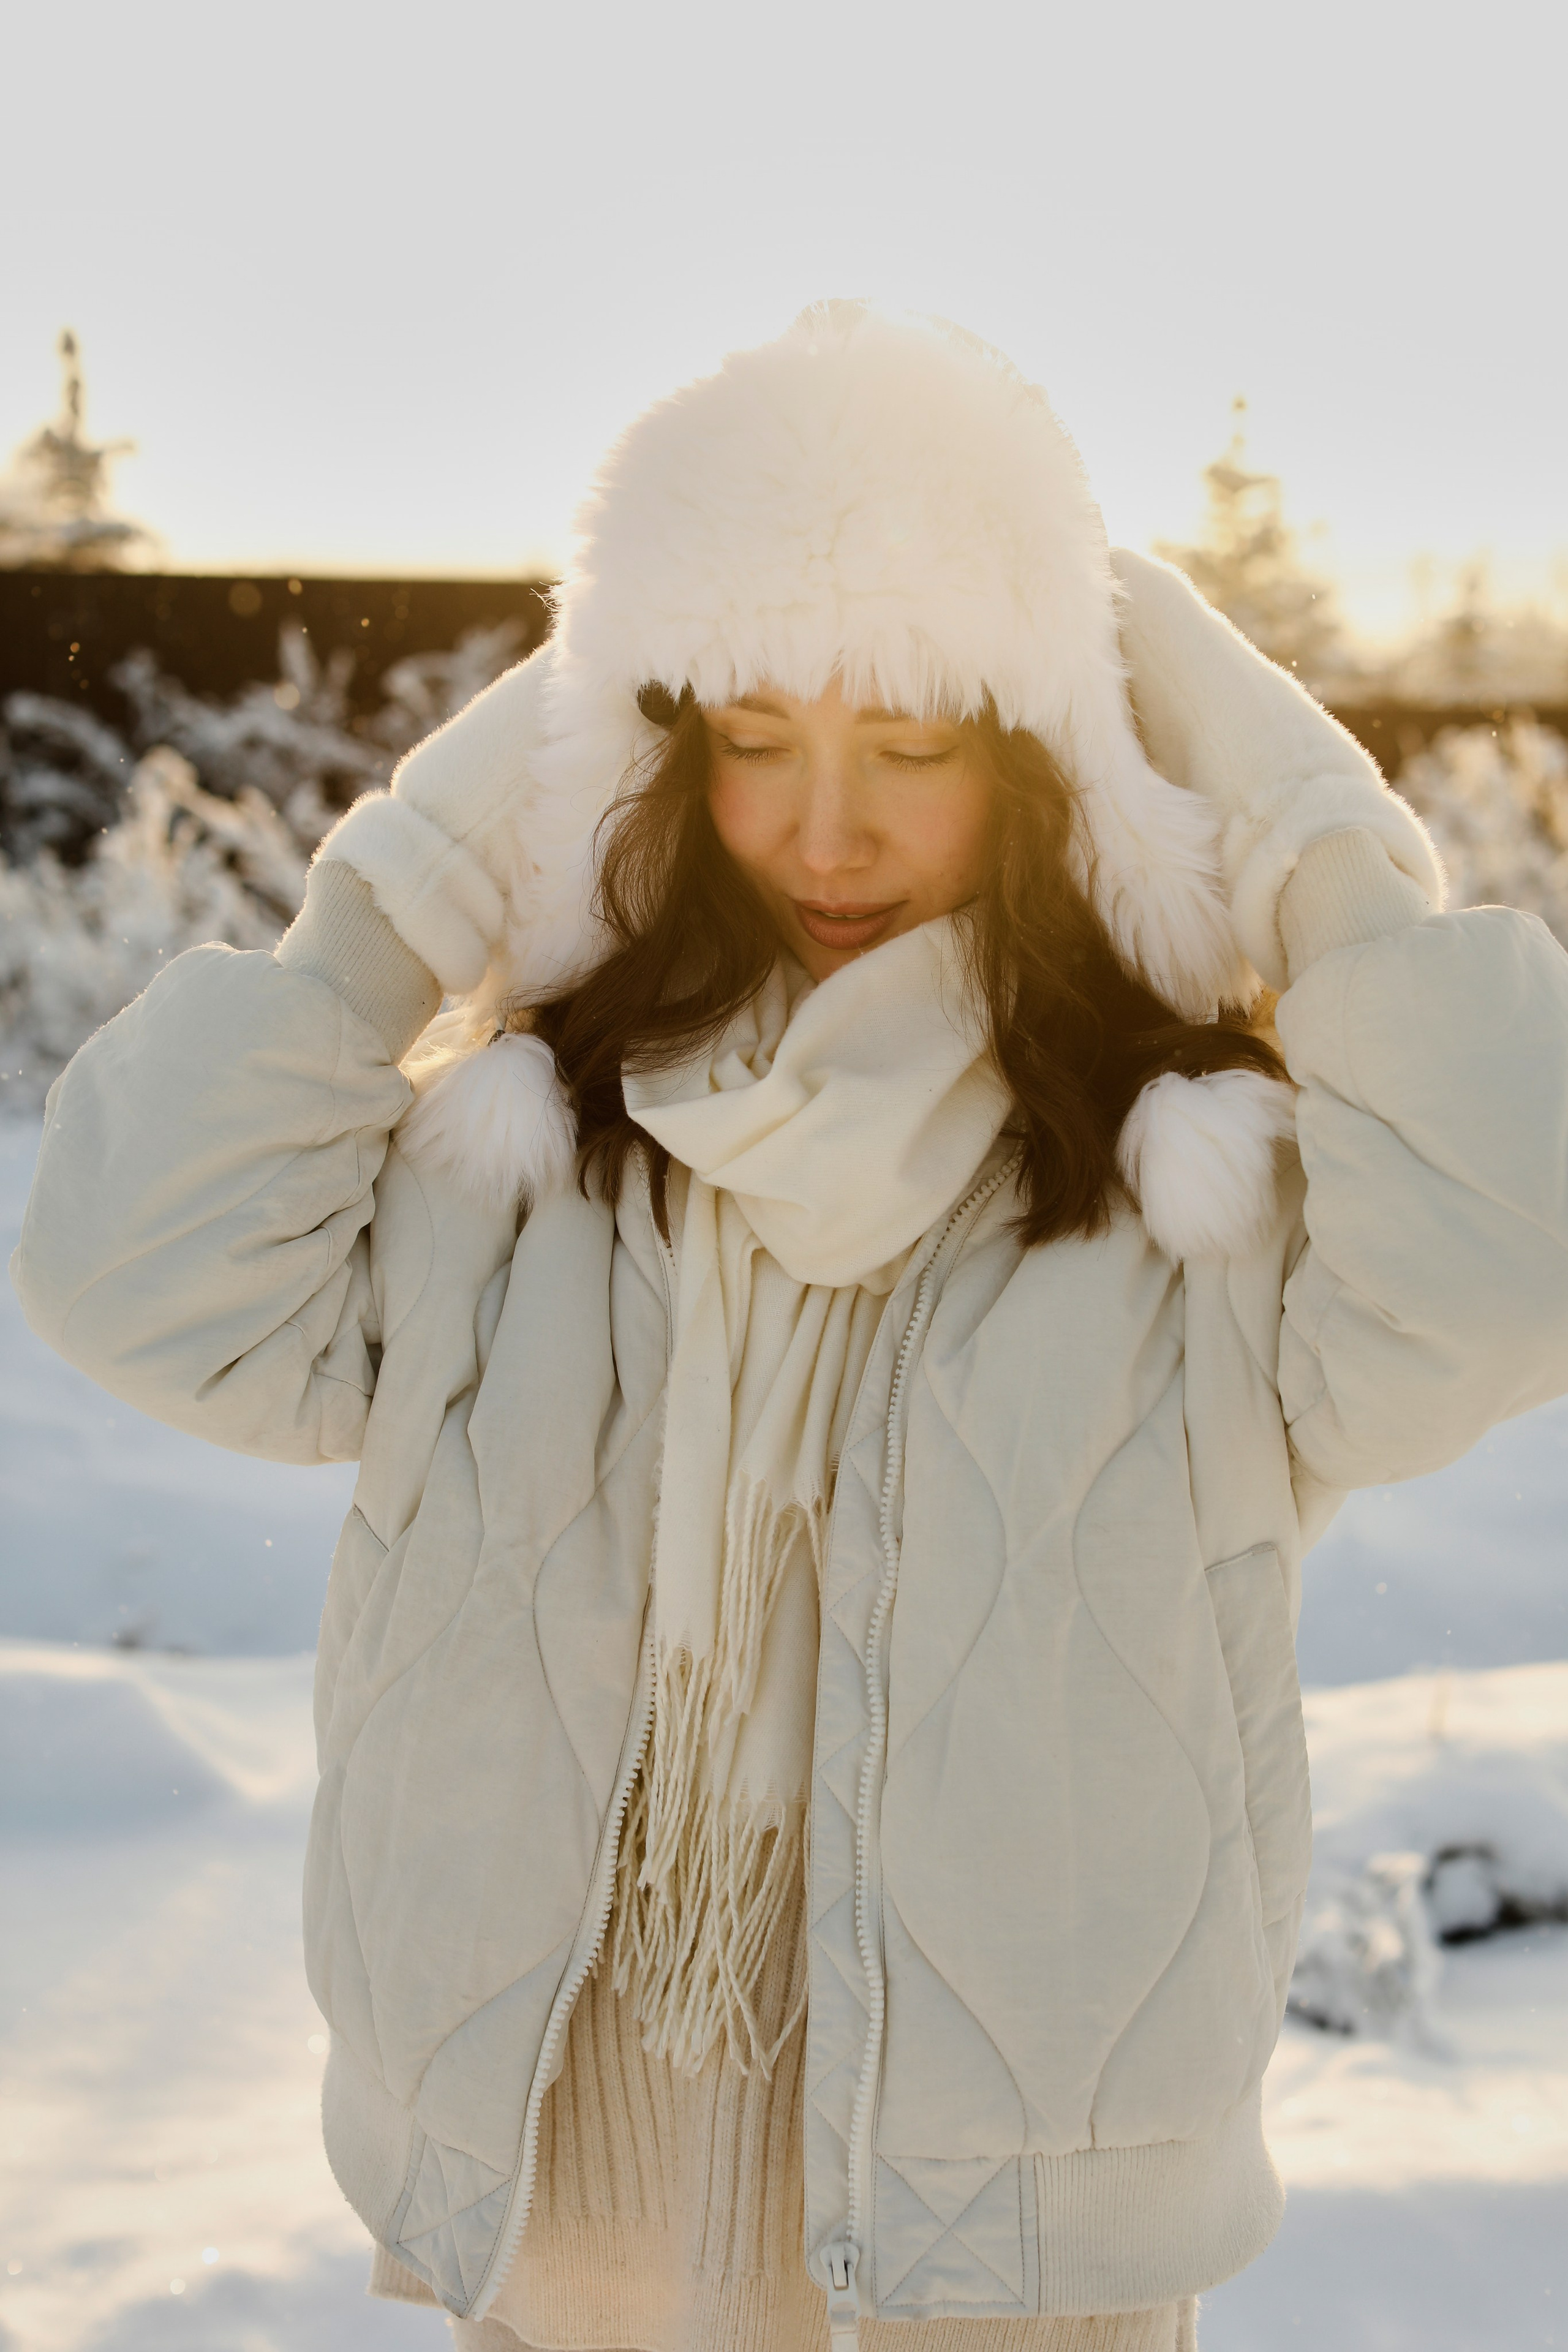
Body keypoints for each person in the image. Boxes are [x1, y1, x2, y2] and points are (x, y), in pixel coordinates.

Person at [14, 304, 1568, 2352]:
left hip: (1000, 2249)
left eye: (914, 748)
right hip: (558, 2189)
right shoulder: (529, 1152)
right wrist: (427, 875)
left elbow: (1513, 1255)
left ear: (1044, 767)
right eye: (752, 737)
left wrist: (1290, 822)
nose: (826, 832)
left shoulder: (1185, 1183)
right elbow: (129, 1269)